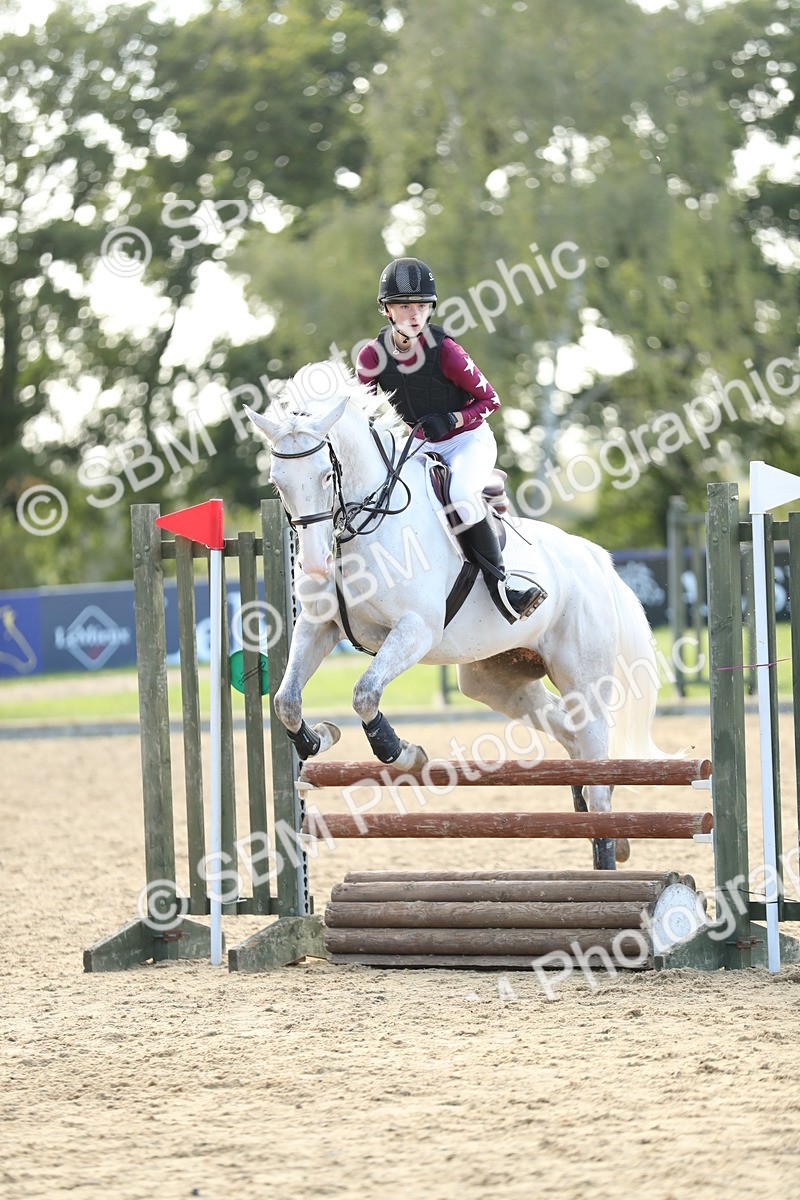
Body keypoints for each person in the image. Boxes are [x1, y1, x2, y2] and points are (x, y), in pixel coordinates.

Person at [356, 256, 546, 623]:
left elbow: (491, 400)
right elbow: (359, 412)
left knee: (459, 495)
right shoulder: (371, 356)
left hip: (467, 441)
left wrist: (455, 418)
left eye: (422, 306)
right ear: (387, 310)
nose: (414, 315)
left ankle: (502, 587)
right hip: (418, 445)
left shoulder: (447, 352)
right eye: (404, 306)